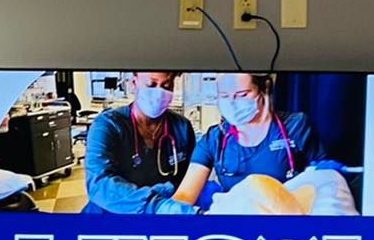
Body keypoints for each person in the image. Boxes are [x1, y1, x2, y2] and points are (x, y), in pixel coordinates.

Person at [173, 72, 326, 209]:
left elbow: (323, 183)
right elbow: (185, 195)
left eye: (242, 95)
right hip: (238, 228)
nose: (232, 103)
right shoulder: (214, 139)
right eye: (224, 96)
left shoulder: (295, 127)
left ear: (264, 89)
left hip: (287, 223)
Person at [82, 71, 197, 214]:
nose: (159, 93)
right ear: (133, 84)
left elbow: (190, 179)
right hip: (109, 218)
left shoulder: (182, 127)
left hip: (160, 219)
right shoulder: (108, 125)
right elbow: (99, 184)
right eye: (151, 85)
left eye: (166, 86)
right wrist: (156, 205)